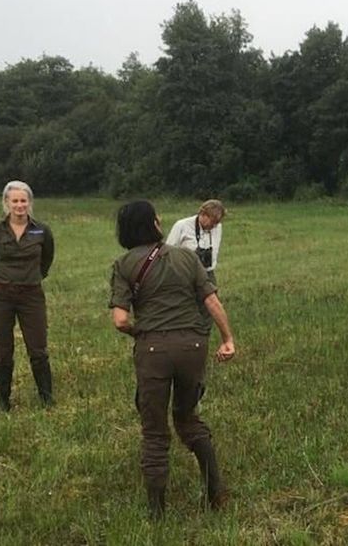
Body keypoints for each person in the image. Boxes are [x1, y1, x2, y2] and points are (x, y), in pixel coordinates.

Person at [110, 200, 237, 519]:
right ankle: (216, 493)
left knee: (154, 432)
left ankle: (157, 513)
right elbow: (211, 301)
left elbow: (120, 320)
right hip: (193, 345)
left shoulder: (124, 264)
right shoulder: (186, 258)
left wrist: (142, 333)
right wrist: (227, 339)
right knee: (188, 419)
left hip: (153, 350)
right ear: (153, 224)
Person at [0, 180, 55, 411]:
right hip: (0, 295)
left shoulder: (42, 231)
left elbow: (47, 260)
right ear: (6, 203)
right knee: (3, 351)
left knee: (38, 349)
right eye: (15, 201)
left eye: (24, 200)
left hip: (31, 295)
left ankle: (46, 398)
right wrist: (6, 278)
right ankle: (4, 401)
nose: (20, 205)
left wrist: (32, 277)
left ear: (30, 203)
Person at [166, 199, 227, 284]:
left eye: (217, 222)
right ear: (202, 214)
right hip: (186, 275)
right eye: (212, 222)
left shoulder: (217, 227)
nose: (214, 226)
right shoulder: (182, 226)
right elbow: (168, 252)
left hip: (208, 273)